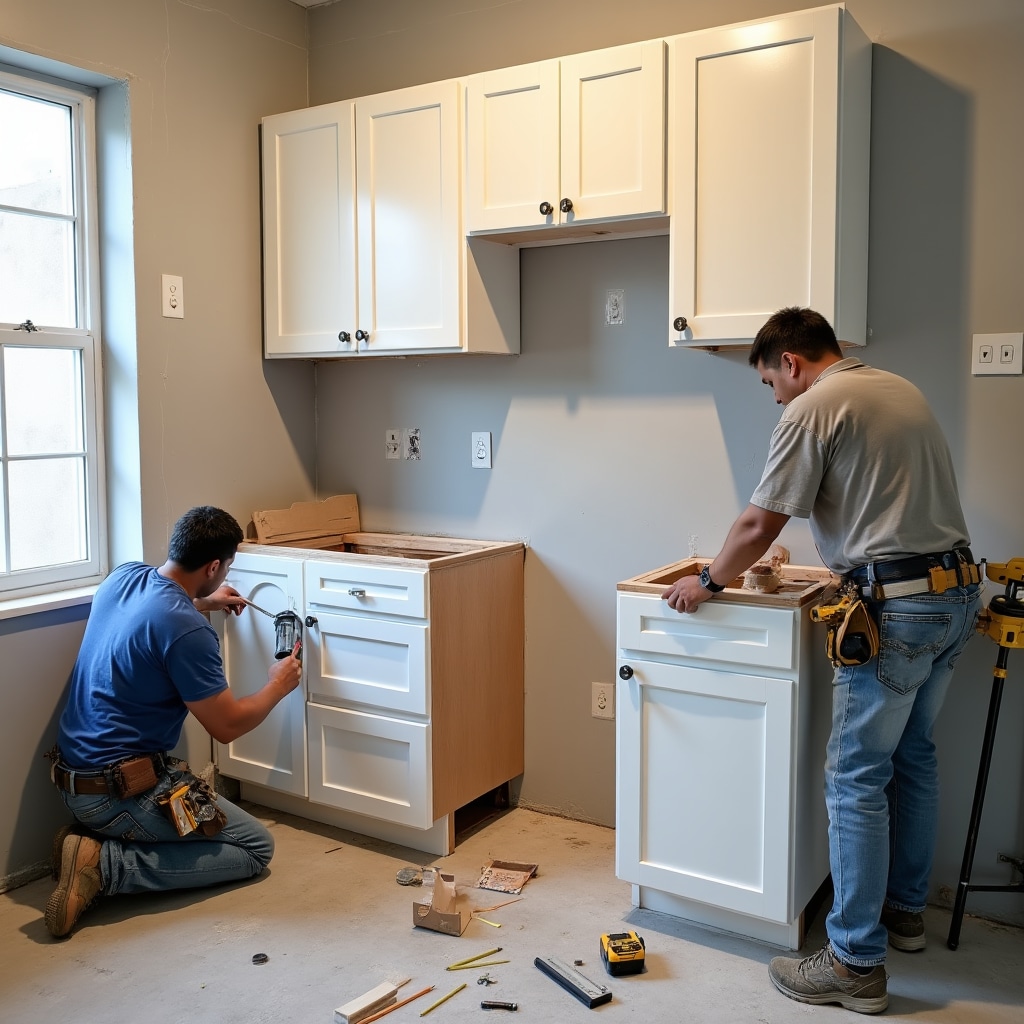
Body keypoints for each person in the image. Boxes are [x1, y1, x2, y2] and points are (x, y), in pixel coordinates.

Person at [661, 307, 981, 1015]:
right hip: (957, 595)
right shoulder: (898, 388)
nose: (775, 396)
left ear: (793, 363)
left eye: (772, 382)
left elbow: (757, 524)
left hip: (897, 606)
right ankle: (903, 914)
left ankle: (853, 964)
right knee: (914, 757)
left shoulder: (816, 405)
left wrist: (707, 581)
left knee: (855, 777)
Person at [45, 506, 303, 939]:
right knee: (255, 848)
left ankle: (87, 842)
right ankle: (105, 867)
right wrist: (277, 685)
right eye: (227, 567)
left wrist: (202, 601)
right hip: (118, 795)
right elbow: (227, 725)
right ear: (215, 566)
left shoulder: (123, 577)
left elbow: (153, 618)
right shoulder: (187, 632)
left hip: (75, 780)